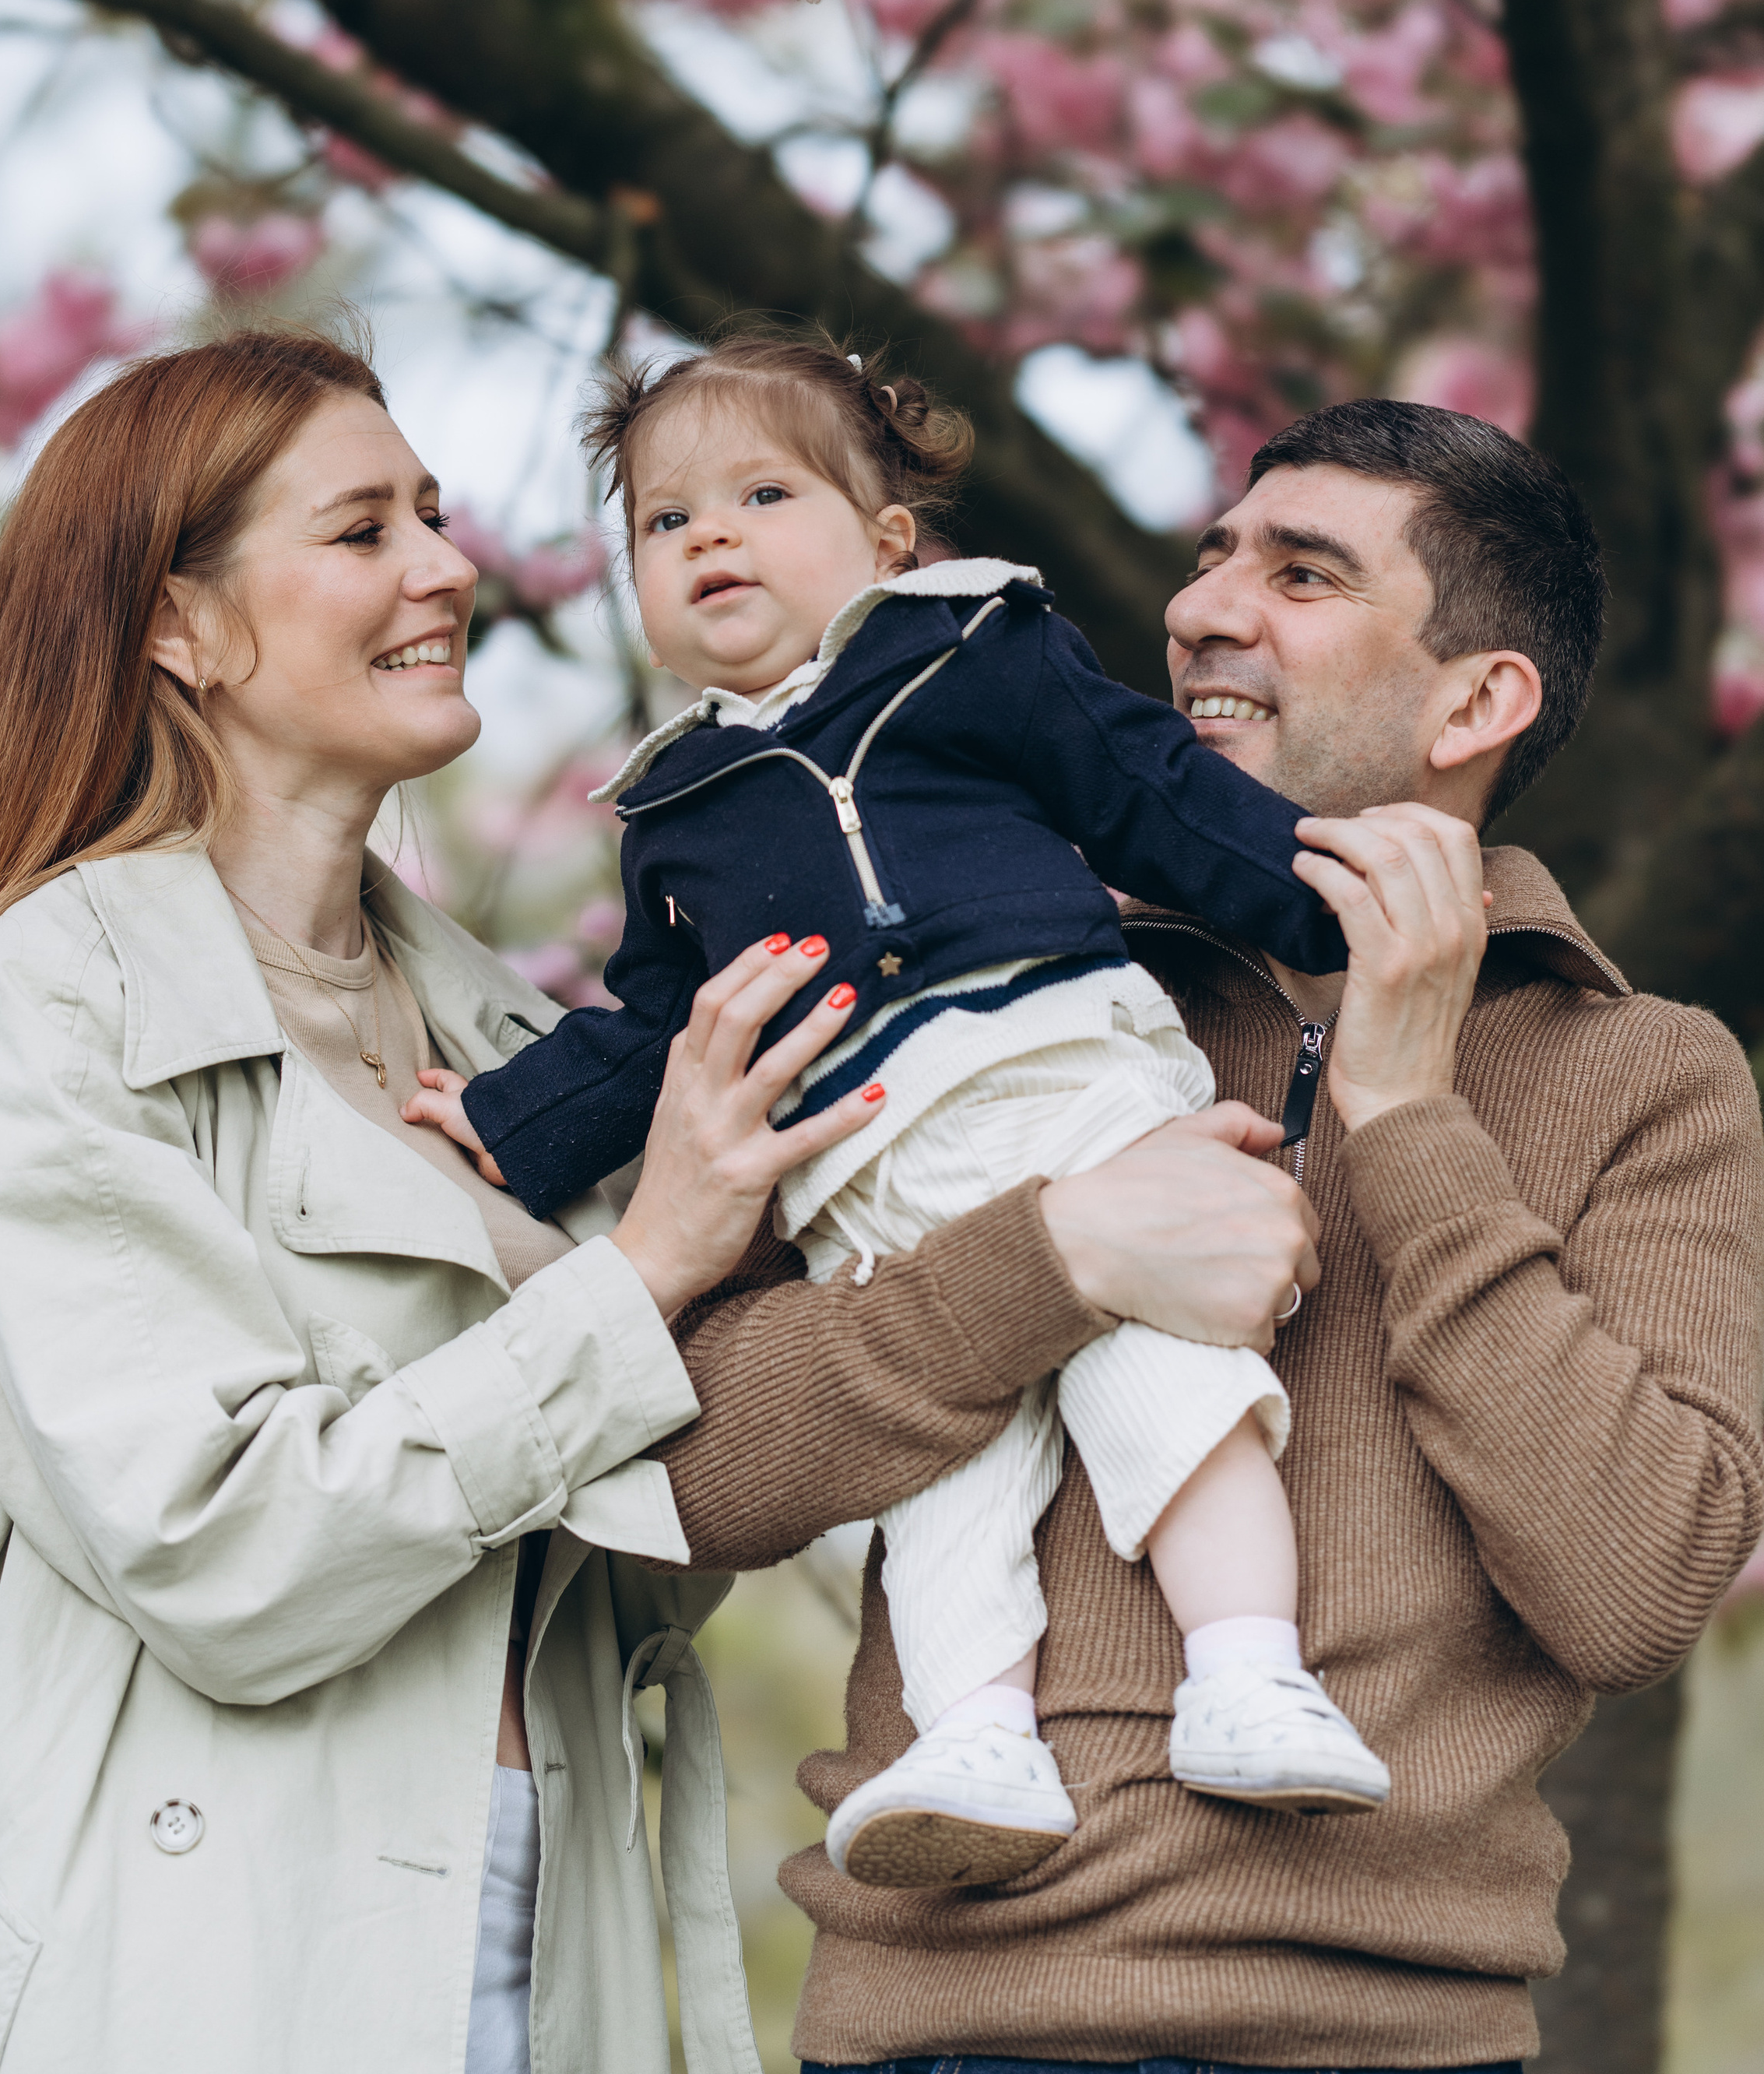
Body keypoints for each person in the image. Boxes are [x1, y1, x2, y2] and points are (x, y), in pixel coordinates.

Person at [0, 322, 1310, 2074]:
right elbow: (221, 1545)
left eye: (435, 516)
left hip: (542, 1916)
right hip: (190, 1959)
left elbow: (663, 1526)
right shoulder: (56, 999)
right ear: (179, 625)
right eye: (364, 530)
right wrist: (658, 1260)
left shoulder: (521, 1049)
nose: (451, 566)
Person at [648, 398, 1764, 2074]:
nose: (1198, 609)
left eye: (1299, 572)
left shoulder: (1637, 1066)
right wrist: (1055, 1255)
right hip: (955, 2015)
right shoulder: (954, 1000)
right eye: (1206, 558)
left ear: (1477, 697)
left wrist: (1402, 1116)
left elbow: (1627, 1587)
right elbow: (695, 1476)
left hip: (1392, 2030)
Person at [420, 332, 1393, 1882]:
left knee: (1166, 1374)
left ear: (883, 539)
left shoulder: (972, 652)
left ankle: (1248, 1669)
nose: (710, 535)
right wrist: (509, 1116)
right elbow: (662, 1027)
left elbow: (1142, 785)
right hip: (871, 1174)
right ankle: (972, 1740)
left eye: (757, 492)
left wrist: (1322, 893)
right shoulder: (675, 808)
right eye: (664, 523)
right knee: (943, 1470)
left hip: (1066, 1076)